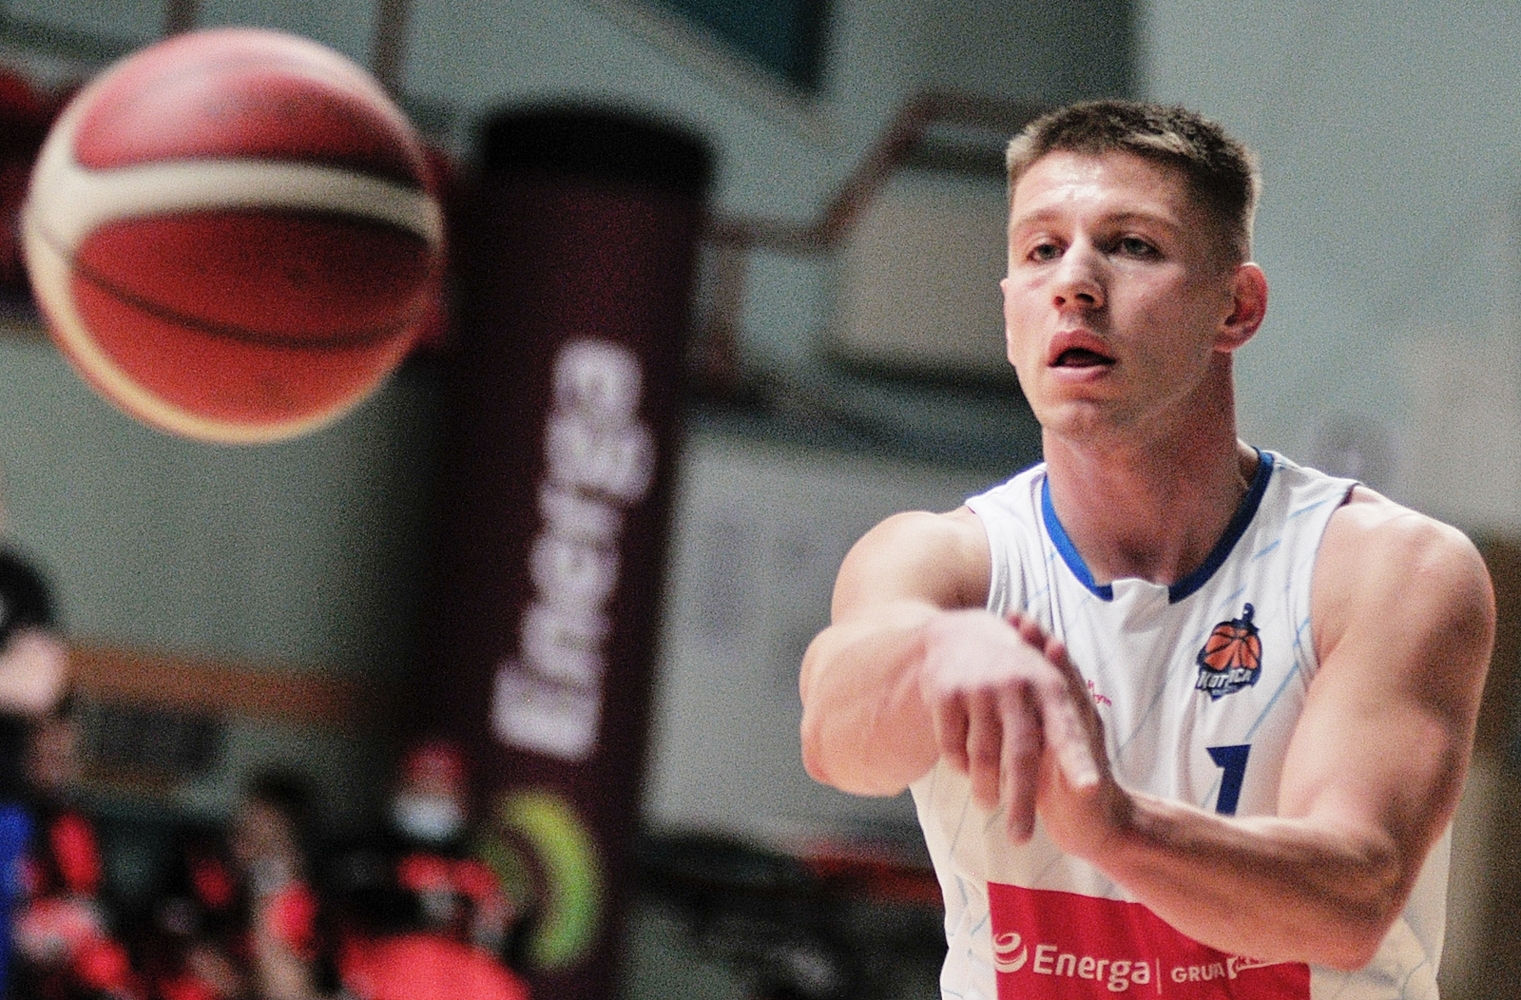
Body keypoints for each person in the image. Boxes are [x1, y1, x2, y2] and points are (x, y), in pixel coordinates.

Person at [798, 99, 1495, 999]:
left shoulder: (1386, 568)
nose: (1074, 283)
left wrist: (1114, 825)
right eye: (1040, 250)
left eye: (1131, 245)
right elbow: (834, 737)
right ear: (1008, 312)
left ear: (1235, 308)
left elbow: (1350, 901)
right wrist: (930, 657)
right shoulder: (942, 562)